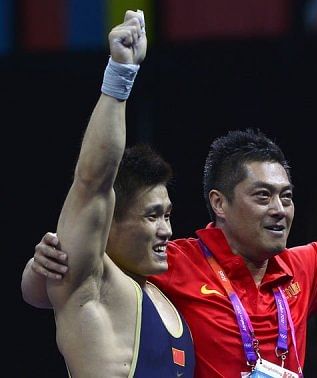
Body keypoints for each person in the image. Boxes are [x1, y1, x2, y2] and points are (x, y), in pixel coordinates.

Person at [21, 64, 317, 378]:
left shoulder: (300, 268)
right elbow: (72, 283)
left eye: (287, 197)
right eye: (263, 196)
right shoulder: (171, 262)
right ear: (220, 203)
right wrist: (38, 269)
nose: (280, 209)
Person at [21, 9, 195, 377]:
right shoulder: (91, 286)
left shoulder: (168, 297)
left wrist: (33, 280)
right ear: (107, 222)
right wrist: (120, 74)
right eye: (152, 216)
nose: (166, 229)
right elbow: (92, 181)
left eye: (167, 215)